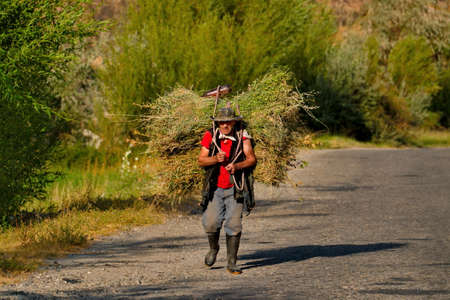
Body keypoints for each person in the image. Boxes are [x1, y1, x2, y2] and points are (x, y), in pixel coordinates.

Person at [198, 106, 256, 275]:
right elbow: (201, 160)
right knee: (210, 223)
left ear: (233, 122)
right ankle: (213, 249)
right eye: (221, 122)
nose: (225, 125)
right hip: (215, 188)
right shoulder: (211, 135)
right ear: (218, 122)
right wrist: (215, 159)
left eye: (228, 122)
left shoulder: (242, 135)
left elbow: (251, 159)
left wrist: (237, 166)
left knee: (234, 225)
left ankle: (232, 262)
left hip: (235, 188)